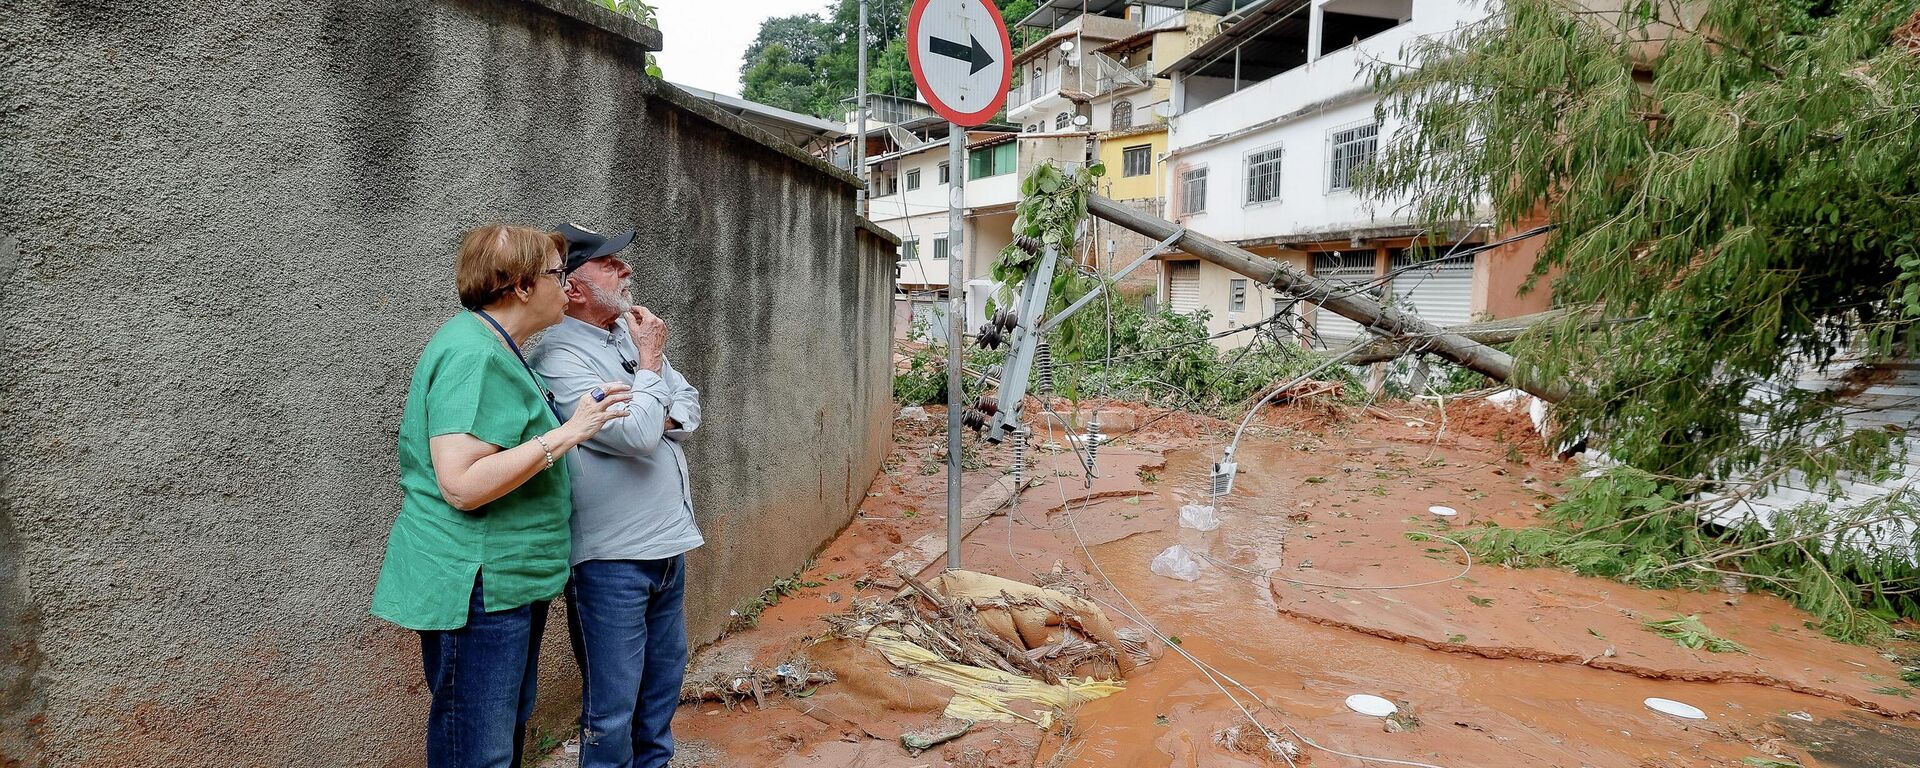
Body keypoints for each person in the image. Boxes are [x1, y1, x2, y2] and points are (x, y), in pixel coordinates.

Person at [372, 224, 635, 768]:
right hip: (479, 586)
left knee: (500, 734)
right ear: (519, 286)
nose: (566, 287)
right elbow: (462, 484)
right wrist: (567, 433)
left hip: (505, 582)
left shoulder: (496, 347)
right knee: (479, 749)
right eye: (556, 275)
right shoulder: (474, 354)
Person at [529, 223, 704, 768]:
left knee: (658, 700)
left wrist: (654, 409)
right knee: (611, 712)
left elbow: (690, 404)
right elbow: (632, 435)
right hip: (610, 562)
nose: (626, 270)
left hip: (668, 548)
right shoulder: (558, 358)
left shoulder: (627, 339)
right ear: (575, 288)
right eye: (611, 263)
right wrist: (652, 371)